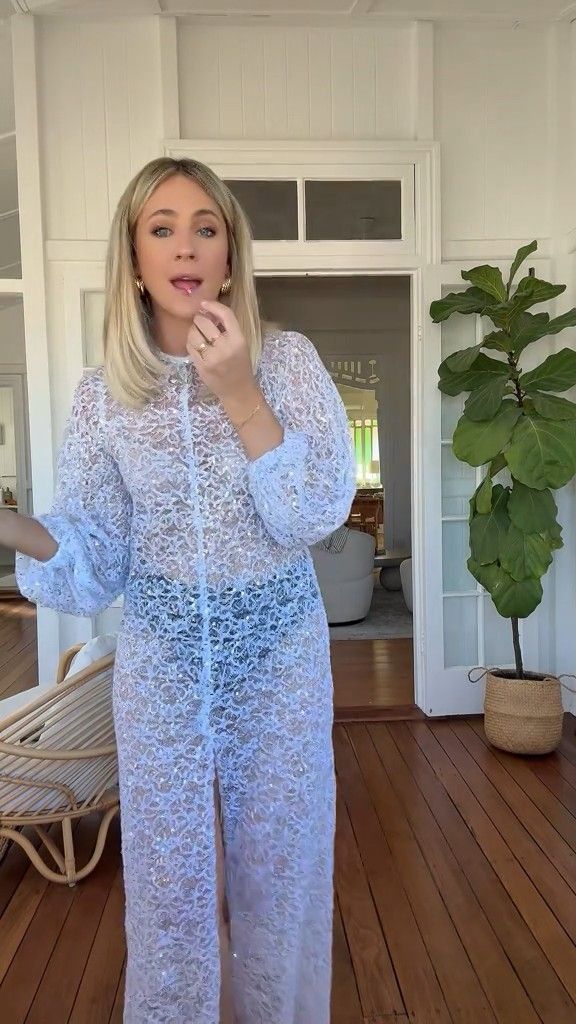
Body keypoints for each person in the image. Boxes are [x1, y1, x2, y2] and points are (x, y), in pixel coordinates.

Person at [1, 157, 356, 1024]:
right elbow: (97, 557)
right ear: (134, 260)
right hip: (160, 666)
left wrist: (237, 391)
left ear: (230, 258)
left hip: (278, 654)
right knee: (169, 889)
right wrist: (6, 524)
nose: (186, 246)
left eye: (206, 227)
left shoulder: (288, 362)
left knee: (283, 872)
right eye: (161, 228)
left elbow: (312, 513)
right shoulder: (102, 398)